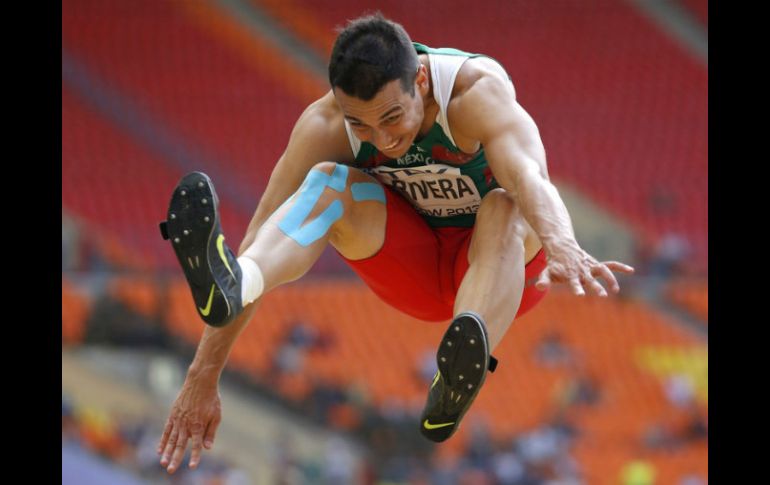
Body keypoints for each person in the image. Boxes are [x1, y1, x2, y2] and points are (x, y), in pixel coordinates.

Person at [156, 12, 634, 474]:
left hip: (501, 272)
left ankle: (461, 366)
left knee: (504, 203)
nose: (383, 140)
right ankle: (241, 284)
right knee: (328, 181)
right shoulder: (326, 124)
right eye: (361, 126)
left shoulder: (474, 94)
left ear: (420, 81)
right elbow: (264, 229)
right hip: (414, 270)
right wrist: (203, 375)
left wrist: (562, 242)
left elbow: (530, 176)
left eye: (392, 117)